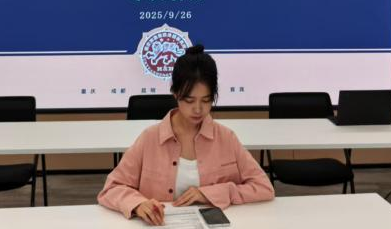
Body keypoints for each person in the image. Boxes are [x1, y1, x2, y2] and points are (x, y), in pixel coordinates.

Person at [98, 44, 274, 225]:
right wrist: (138, 204)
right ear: (175, 93)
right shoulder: (150, 138)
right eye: (189, 100)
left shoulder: (226, 138)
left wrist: (211, 193)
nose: (198, 109)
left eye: (206, 100)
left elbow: (263, 187)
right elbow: (111, 189)